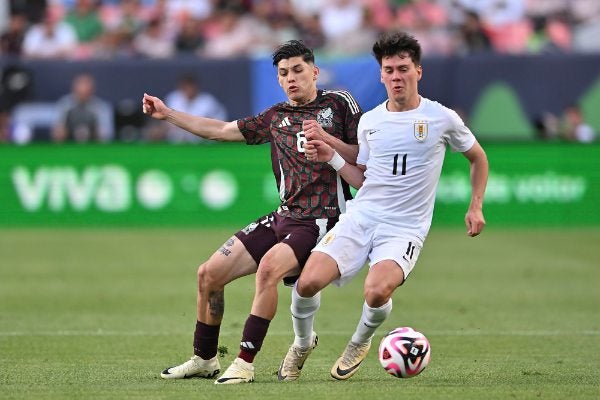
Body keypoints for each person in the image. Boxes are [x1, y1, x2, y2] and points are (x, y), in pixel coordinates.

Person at [142, 39, 362, 384]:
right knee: (208, 274)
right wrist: (167, 113)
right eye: (284, 73)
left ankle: (244, 363)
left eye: (298, 70)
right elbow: (221, 130)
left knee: (269, 270)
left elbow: (362, 157)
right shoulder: (275, 117)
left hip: (323, 218)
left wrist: (330, 144)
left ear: (315, 71)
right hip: (284, 216)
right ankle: (205, 358)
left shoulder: (339, 104)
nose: (291, 78)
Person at [277, 30, 488, 382]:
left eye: (403, 68)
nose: (396, 76)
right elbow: (362, 177)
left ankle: (359, 341)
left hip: (405, 227)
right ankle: (301, 343)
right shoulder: (371, 121)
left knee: (376, 290)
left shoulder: (441, 118)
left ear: (418, 71)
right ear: (381, 75)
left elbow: (478, 158)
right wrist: (331, 157)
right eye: (388, 69)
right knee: (306, 283)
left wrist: (476, 206)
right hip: (362, 215)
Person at [162, 73, 227, 143]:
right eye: (185, 86)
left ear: (196, 87)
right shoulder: (173, 98)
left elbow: (221, 124)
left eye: (190, 86)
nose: (188, 89)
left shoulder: (208, 101)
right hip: (177, 140)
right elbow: (166, 123)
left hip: (204, 140)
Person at [53, 73, 114, 142]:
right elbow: (56, 135)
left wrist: (91, 133)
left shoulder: (100, 107)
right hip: (69, 146)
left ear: (92, 91)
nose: (83, 94)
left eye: (86, 92)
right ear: (74, 89)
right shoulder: (64, 104)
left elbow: (106, 136)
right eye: (80, 93)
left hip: (93, 147)